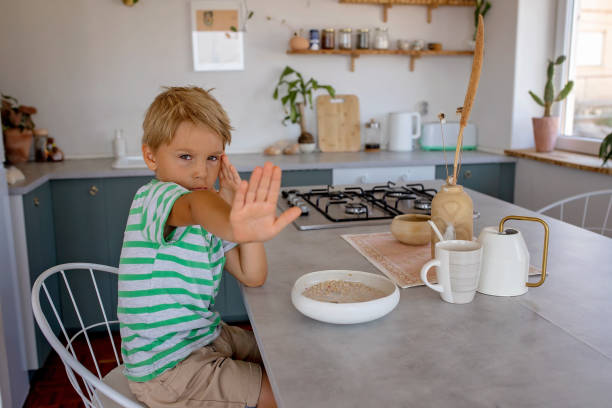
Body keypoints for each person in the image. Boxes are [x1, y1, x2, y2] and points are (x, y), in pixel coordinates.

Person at [118, 86, 301, 408]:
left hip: (203, 337)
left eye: (213, 158)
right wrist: (231, 220)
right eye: (185, 156)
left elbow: (252, 275)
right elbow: (196, 204)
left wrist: (244, 225)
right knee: (284, 394)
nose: (202, 171)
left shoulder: (215, 216)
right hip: (167, 368)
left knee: (284, 354)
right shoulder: (157, 198)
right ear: (151, 157)